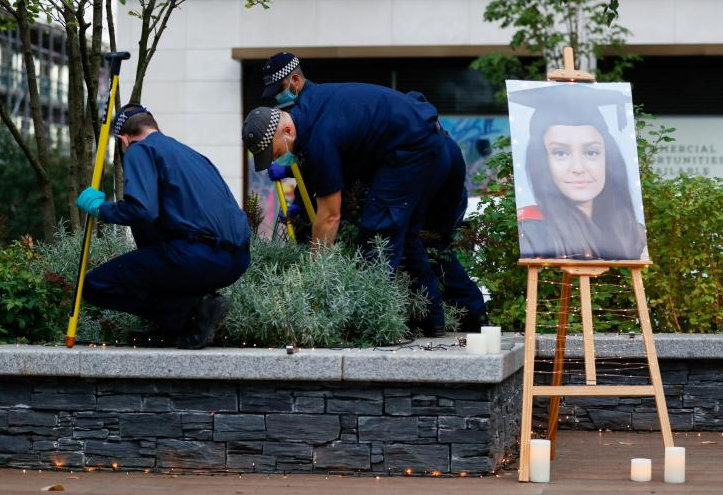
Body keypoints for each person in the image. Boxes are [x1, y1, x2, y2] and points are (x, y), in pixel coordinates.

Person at [242, 83, 452, 336]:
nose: (275, 160)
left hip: (413, 149)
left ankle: (370, 323)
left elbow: (330, 216)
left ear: (287, 130)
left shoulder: (320, 138)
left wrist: (316, 274)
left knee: (379, 233)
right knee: (401, 235)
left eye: (274, 152)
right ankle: (432, 320)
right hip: (415, 143)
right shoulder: (306, 113)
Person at [75, 104, 252, 349]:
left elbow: (142, 210)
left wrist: (101, 208)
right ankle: (181, 324)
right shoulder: (190, 154)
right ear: (154, 126)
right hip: (237, 260)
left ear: (123, 140)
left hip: (195, 256)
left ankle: (190, 311)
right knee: (155, 259)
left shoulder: (139, 149)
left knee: (95, 285)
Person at [509, 83, 647, 261]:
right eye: (560, 153)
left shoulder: (633, 233)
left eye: (591, 152)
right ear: (542, 162)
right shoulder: (532, 231)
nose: (578, 168)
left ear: (608, 158)